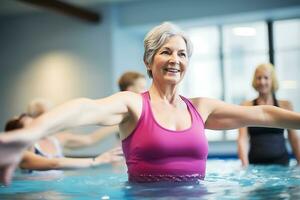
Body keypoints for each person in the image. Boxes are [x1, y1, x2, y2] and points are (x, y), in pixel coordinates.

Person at [1, 22, 300, 185]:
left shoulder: (201, 108)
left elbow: (262, 113)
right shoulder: (133, 105)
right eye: (165, 52)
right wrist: (29, 134)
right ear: (148, 60)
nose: (175, 60)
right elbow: (85, 108)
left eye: (182, 54)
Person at [4, 114, 122, 172]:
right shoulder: (25, 152)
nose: (38, 126)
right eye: (31, 125)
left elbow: (90, 139)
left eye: (36, 122)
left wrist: (120, 123)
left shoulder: (57, 139)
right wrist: (96, 161)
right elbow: (54, 164)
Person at [238, 63, 300, 167]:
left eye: (266, 78)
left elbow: (293, 138)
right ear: (255, 81)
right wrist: (245, 166)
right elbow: (242, 138)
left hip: (282, 165)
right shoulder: (246, 106)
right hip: (255, 166)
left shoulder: (285, 105)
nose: (262, 82)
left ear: (272, 81)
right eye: (259, 78)